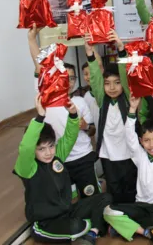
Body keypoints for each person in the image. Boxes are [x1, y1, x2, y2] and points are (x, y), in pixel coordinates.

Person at [14, 95, 112, 244]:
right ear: (33, 150)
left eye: (51, 146)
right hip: (46, 222)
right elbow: (26, 147)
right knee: (75, 226)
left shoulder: (56, 157)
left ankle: (91, 231)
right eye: (41, 149)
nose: (48, 152)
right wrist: (40, 117)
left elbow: (69, 137)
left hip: (67, 212)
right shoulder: (27, 168)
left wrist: (73, 114)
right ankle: (94, 226)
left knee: (105, 198)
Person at [27, 27, 100, 200]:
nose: (68, 81)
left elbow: (92, 131)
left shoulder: (80, 102)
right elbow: (40, 66)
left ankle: (95, 225)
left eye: (72, 78)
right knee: (63, 199)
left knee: (91, 197)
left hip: (83, 158)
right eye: (64, 77)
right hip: (57, 159)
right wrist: (31, 39)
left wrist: (85, 126)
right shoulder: (47, 98)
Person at [103, 94, 153, 244]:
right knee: (108, 211)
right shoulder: (139, 155)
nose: (152, 145)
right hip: (140, 206)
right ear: (141, 142)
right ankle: (148, 232)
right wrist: (132, 109)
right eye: (147, 140)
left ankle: (125, 227)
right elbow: (129, 135)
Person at [85, 31, 140, 204]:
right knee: (114, 187)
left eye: (116, 83)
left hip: (128, 153)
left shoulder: (127, 97)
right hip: (108, 154)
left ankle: (131, 214)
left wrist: (121, 48)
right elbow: (95, 79)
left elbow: (125, 76)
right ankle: (117, 217)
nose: (112, 87)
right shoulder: (102, 99)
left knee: (130, 187)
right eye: (107, 83)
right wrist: (89, 52)